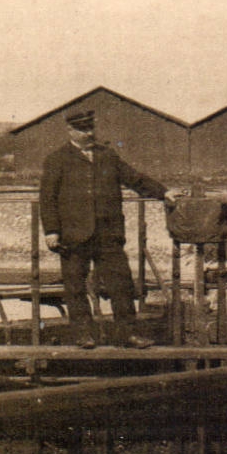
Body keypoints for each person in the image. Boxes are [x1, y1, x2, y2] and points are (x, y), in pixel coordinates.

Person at [39, 109, 170, 348]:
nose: (88, 133)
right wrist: (51, 231)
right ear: (70, 130)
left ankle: (127, 334)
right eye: (82, 129)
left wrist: (165, 192)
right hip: (73, 235)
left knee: (121, 284)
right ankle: (83, 335)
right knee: (75, 286)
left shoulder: (107, 155)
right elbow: (47, 199)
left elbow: (135, 179)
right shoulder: (56, 159)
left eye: (91, 129)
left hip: (108, 234)